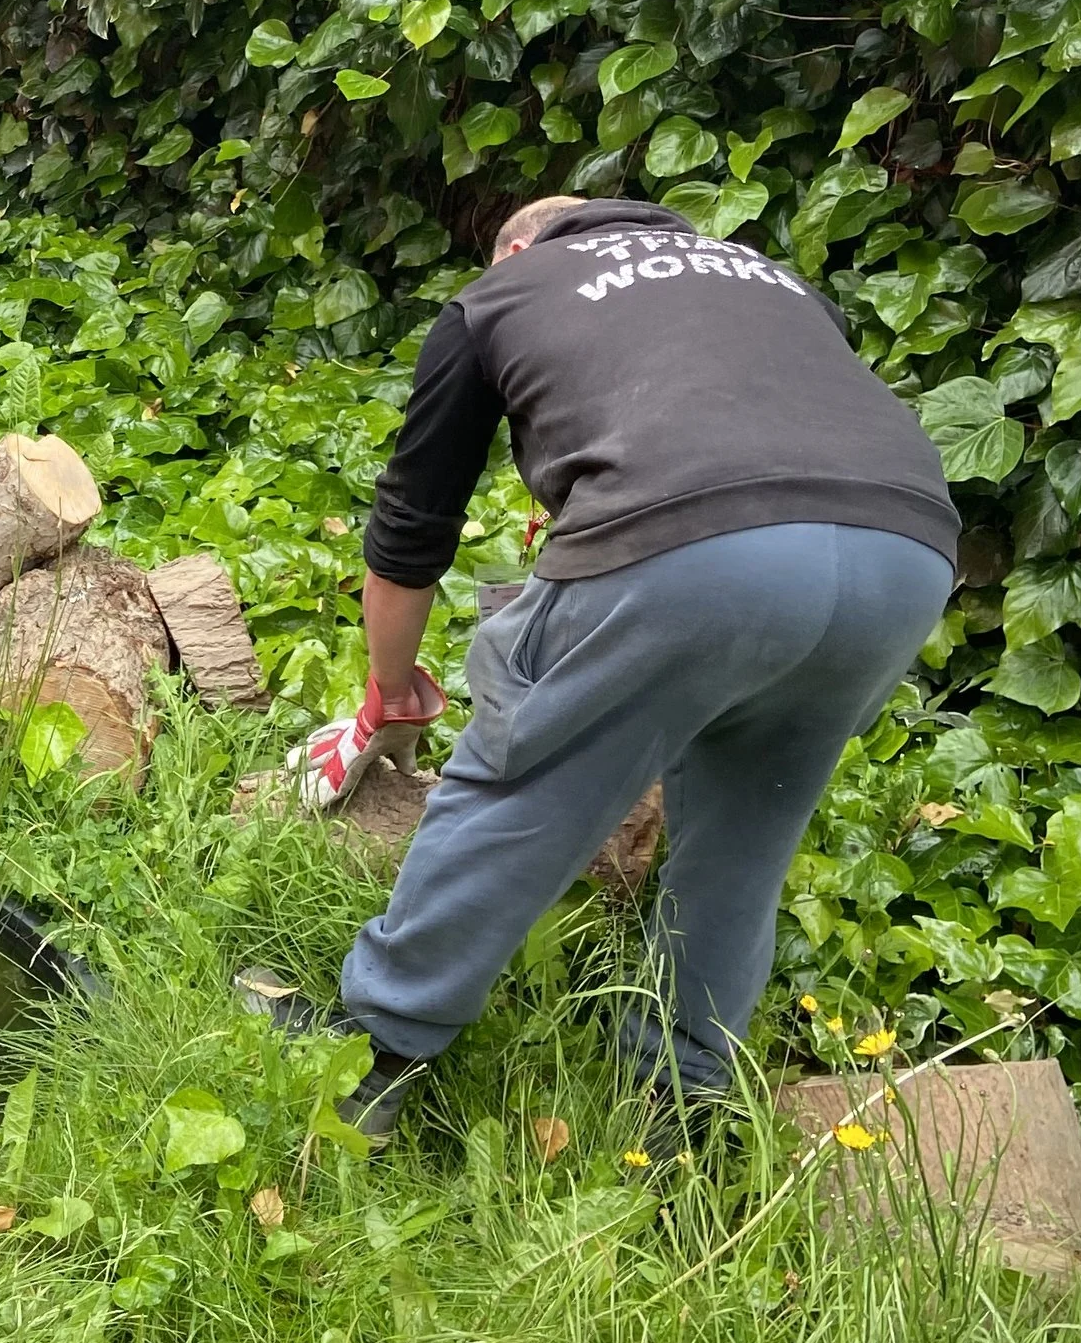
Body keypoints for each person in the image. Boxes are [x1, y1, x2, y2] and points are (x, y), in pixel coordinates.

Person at [247, 194, 957, 1146]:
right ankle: (677, 1117)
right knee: (747, 834)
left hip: (691, 537)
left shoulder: (500, 296)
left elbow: (413, 528)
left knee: (520, 775)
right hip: (907, 553)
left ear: (520, 247)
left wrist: (391, 689)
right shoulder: (771, 277)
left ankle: (373, 1053)